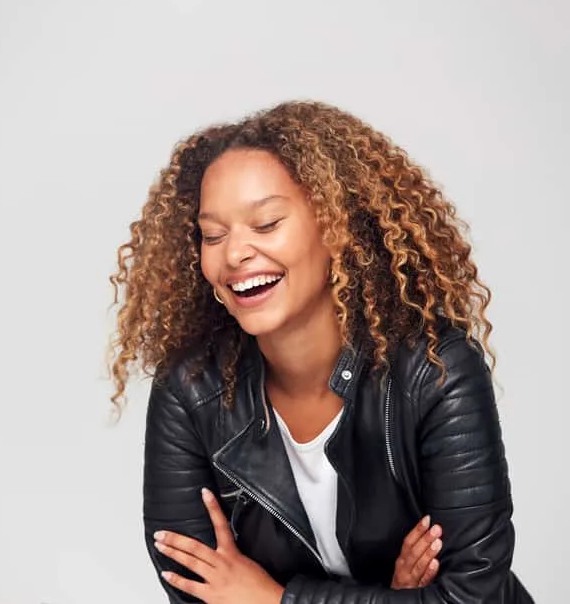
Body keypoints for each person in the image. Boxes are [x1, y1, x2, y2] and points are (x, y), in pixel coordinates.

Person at [107, 101, 533, 603]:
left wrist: (271, 599)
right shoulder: (190, 390)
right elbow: (196, 593)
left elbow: (472, 596)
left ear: (336, 226)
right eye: (212, 235)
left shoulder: (433, 370)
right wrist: (390, 596)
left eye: (265, 224)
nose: (234, 253)